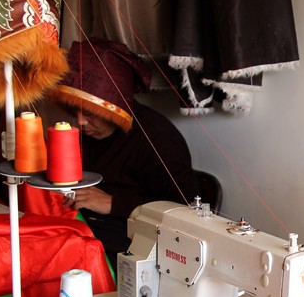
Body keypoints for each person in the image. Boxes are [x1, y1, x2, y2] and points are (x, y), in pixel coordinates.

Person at [52, 37, 199, 269]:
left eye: (89, 112)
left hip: (133, 245)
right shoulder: (85, 135)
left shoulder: (157, 139)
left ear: (115, 107)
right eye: (74, 110)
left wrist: (114, 203)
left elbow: (187, 211)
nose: (80, 121)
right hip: (88, 227)